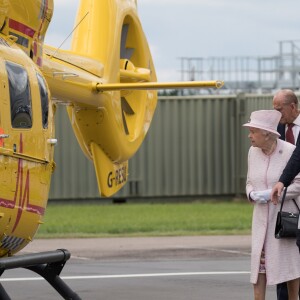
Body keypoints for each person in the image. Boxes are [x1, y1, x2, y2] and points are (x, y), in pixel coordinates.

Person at [244, 109, 300, 300]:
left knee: (290, 273)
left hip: (283, 220)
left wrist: (271, 194)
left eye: (253, 131)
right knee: (258, 273)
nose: (249, 136)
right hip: (261, 221)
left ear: (266, 134)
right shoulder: (252, 152)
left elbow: (298, 184)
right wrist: (252, 194)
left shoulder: (290, 151)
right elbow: (249, 181)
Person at [272, 89, 300, 300]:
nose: (276, 114)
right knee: (283, 256)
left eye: (279, 109)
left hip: (295, 195)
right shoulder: (275, 129)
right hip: (284, 204)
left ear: (292, 106)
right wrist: (280, 183)